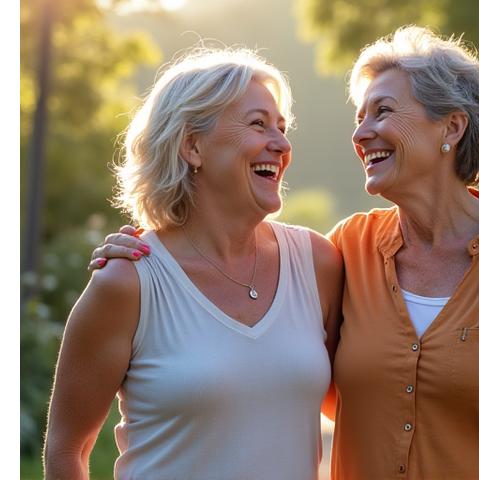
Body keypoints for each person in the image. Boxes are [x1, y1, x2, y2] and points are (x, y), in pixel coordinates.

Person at [89, 26, 479, 479]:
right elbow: (286, 368)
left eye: (383, 112)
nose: (360, 133)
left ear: (452, 127)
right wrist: (150, 246)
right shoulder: (346, 251)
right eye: (360, 116)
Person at [44, 47, 343, 480]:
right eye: (259, 125)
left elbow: (356, 398)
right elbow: (66, 450)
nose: (281, 144)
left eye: (282, 127)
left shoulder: (317, 262)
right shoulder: (127, 282)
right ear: (192, 146)